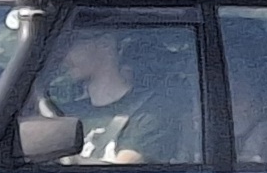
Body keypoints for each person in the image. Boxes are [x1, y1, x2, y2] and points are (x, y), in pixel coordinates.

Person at [57, 27, 178, 164]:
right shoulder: (65, 114)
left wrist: (66, 159)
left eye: (71, 43)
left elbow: (120, 171)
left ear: (105, 43)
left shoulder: (150, 112)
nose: (64, 55)